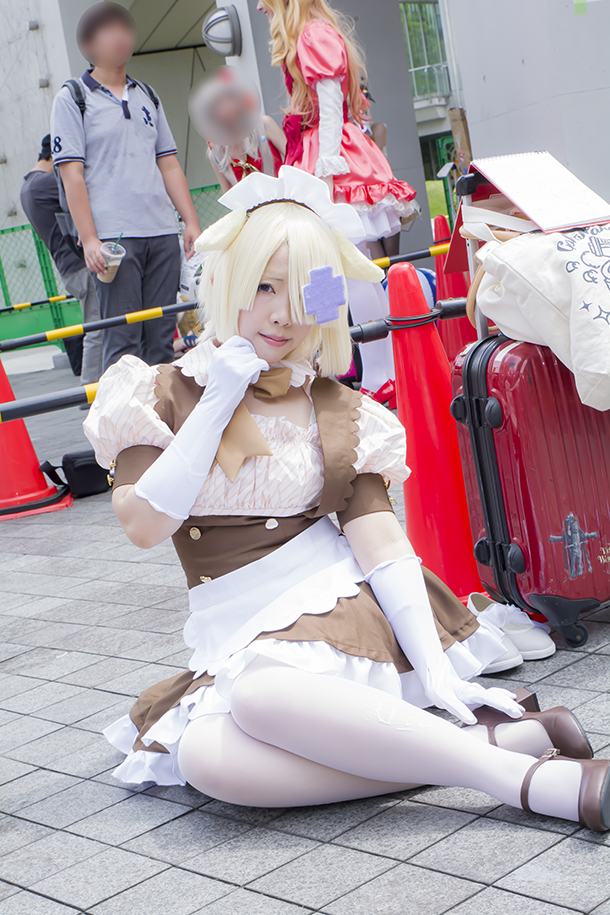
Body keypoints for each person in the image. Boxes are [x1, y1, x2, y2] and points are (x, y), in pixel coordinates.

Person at [84, 167, 609, 831]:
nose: (283, 313)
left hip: (330, 608)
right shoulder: (161, 392)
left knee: (260, 695)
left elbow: (381, 541)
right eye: (265, 285)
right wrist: (217, 401)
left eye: (302, 291)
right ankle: (503, 742)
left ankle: (530, 781)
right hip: (234, 632)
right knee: (207, 756)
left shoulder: (339, 408)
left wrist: (435, 669)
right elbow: (143, 523)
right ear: (228, 281)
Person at [256, 0, 419, 406]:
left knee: (350, 271)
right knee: (341, 271)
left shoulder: (312, 34)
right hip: (327, 156)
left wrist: (326, 174)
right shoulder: (314, 33)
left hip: (332, 159)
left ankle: (380, 372)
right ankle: (367, 369)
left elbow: (329, 107)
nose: (259, 6)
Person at [50, 2, 201, 372]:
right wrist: (89, 239)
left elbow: (168, 163)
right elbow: (72, 175)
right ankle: (125, 412)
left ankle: (162, 410)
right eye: (108, 30)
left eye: (124, 28)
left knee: (161, 340)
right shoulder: (72, 98)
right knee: (123, 344)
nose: (120, 36)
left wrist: (191, 222)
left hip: (162, 232)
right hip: (114, 241)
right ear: (88, 44)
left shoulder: (147, 94)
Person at [20, 135, 103, 385]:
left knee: (98, 325)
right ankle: (90, 390)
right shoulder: (45, 183)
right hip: (81, 264)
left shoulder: (28, 187)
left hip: (69, 266)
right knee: (98, 326)